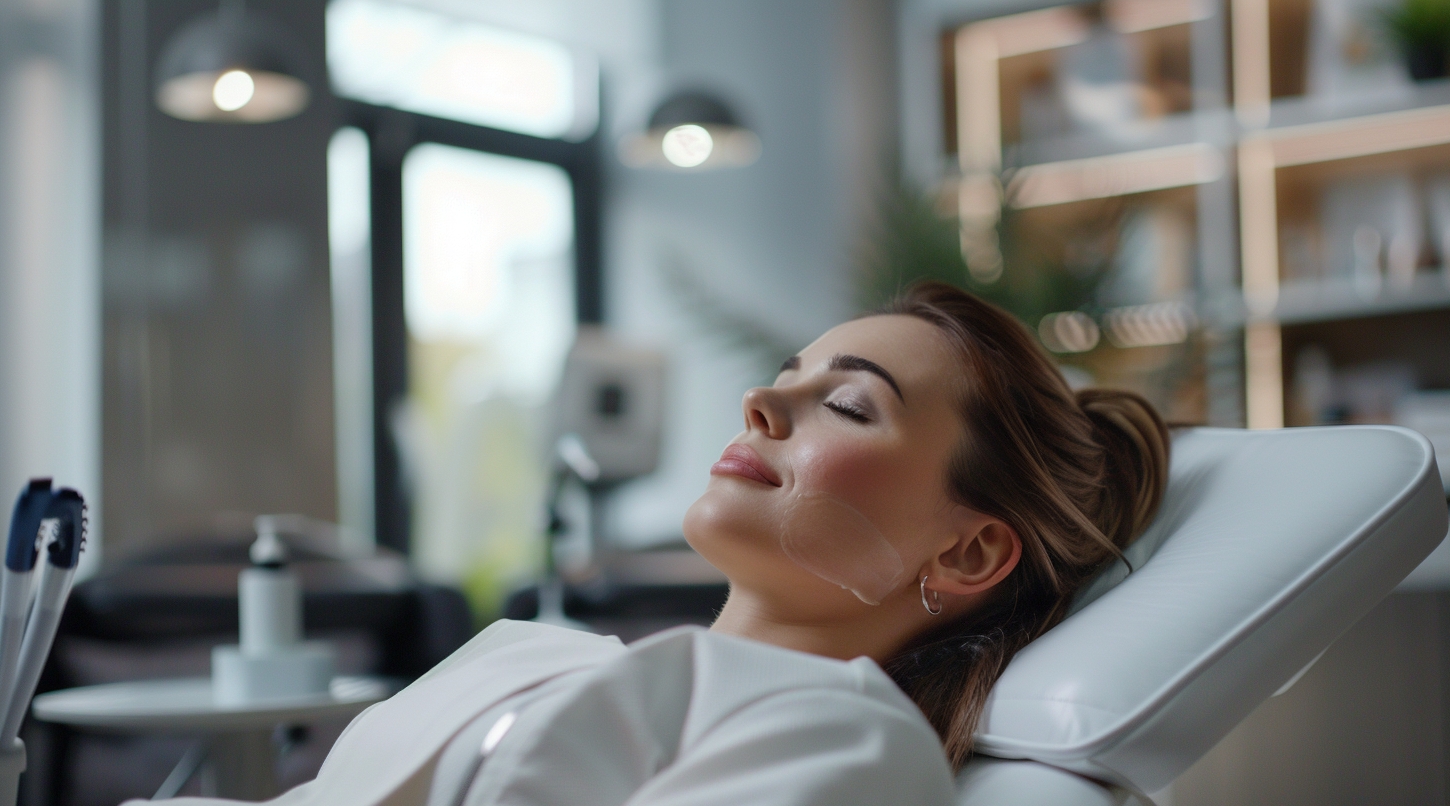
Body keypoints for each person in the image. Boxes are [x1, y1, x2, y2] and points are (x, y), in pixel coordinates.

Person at [154, 282, 1169, 806]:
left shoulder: (845, 738)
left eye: (848, 405)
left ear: (965, 554)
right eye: (787, 373)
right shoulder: (532, 650)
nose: (761, 400)